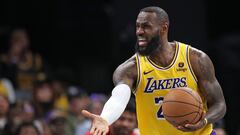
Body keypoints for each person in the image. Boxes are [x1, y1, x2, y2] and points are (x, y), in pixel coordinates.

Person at [82, 6, 226, 135]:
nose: (139, 31)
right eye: (137, 26)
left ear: (164, 28)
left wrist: (203, 121)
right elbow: (119, 97)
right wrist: (106, 118)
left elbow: (219, 104)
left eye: (146, 26)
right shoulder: (130, 68)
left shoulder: (195, 59)